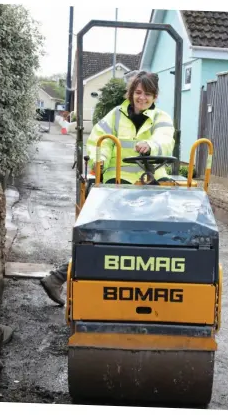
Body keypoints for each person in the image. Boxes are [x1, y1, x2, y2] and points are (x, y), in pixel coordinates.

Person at [40, 71, 175, 306]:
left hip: (151, 186)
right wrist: (99, 160)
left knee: (153, 240)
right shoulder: (114, 117)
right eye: (138, 92)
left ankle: (61, 278)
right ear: (132, 92)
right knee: (106, 239)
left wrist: (151, 145)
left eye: (148, 94)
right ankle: (63, 278)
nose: (142, 98)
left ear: (155, 96)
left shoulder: (161, 118)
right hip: (116, 186)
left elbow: (165, 140)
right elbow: (98, 142)